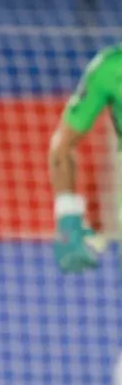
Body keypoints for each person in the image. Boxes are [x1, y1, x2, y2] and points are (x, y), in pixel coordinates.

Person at [49, 44, 122, 273]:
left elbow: (61, 147)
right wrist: (68, 221)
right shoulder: (110, 69)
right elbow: (62, 146)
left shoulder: (109, 68)